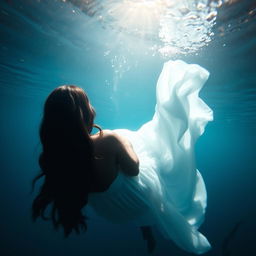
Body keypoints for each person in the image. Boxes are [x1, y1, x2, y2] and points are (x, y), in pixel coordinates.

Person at [32, 60, 213, 254]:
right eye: (88, 103)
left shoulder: (54, 157)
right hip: (138, 197)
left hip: (113, 210)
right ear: (84, 113)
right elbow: (134, 169)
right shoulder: (108, 140)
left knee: (124, 147)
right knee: (145, 146)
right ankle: (151, 220)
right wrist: (124, 143)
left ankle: (146, 229)